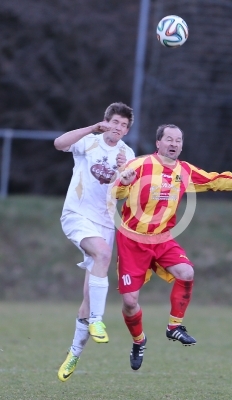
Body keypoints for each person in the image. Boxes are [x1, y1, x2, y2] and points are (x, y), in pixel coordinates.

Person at [111, 123, 232, 371]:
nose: (174, 144)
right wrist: (123, 183)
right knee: (130, 303)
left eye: (178, 140)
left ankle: (174, 326)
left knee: (187, 272)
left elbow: (214, 180)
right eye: (169, 139)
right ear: (158, 142)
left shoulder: (184, 171)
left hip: (162, 239)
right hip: (132, 240)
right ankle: (139, 341)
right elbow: (115, 193)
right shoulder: (139, 165)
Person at [54, 102, 135, 381]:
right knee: (102, 255)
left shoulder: (128, 154)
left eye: (124, 125)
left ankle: (74, 353)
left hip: (104, 222)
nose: (119, 128)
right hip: (76, 214)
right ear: (105, 122)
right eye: (115, 122)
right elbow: (58, 143)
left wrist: (128, 177)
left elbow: (125, 192)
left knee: (87, 302)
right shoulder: (88, 141)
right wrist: (90, 128)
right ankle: (99, 322)